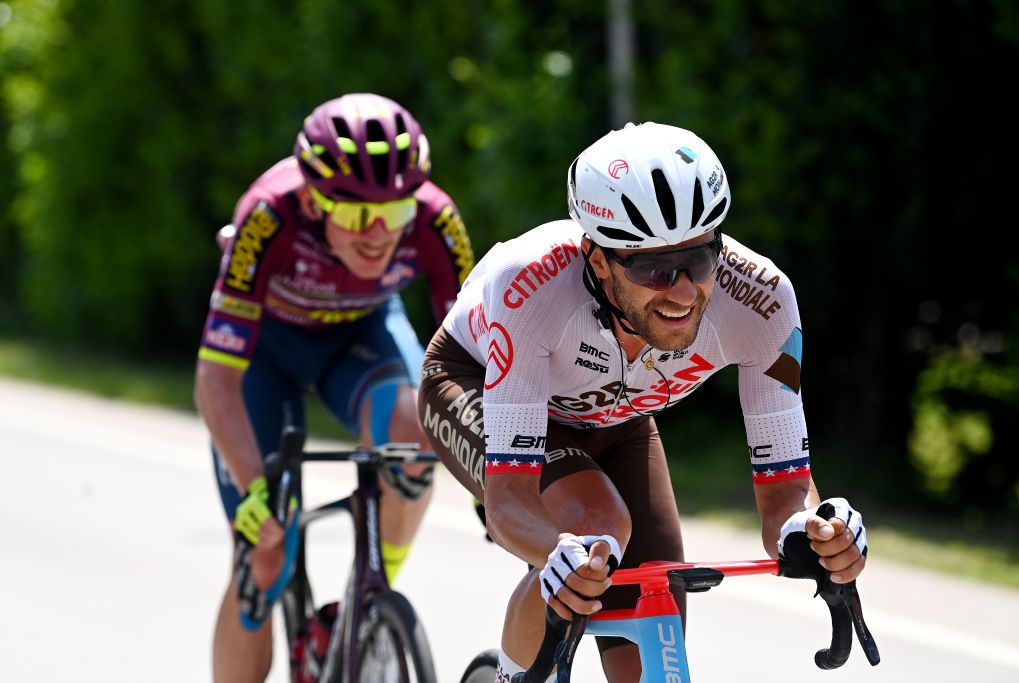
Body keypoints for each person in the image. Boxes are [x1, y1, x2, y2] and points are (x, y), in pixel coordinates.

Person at [416, 122, 868, 681]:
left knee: (657, 599)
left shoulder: (766, 304)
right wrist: (557, 555)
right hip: (476, 383)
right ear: (599, 260)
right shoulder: (530, 287)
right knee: (594, 528)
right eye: (654, 269)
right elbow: (511, 499)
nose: (681, 292)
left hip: (617, 420)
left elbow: (785, 493)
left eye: (700, 260)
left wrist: (815, 532)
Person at [194, 93, 475, 682]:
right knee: (266, 556)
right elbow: (216, 380)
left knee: (416, 427)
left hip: (360, 338)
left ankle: (364, 605)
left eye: (394, 212)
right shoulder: (268, 216)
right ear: (311, 199)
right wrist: (254, 496)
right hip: (263, 357)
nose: (376, 234)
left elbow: (476, 359)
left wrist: (495, 472)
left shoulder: (437, 219)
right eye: (353, 215)